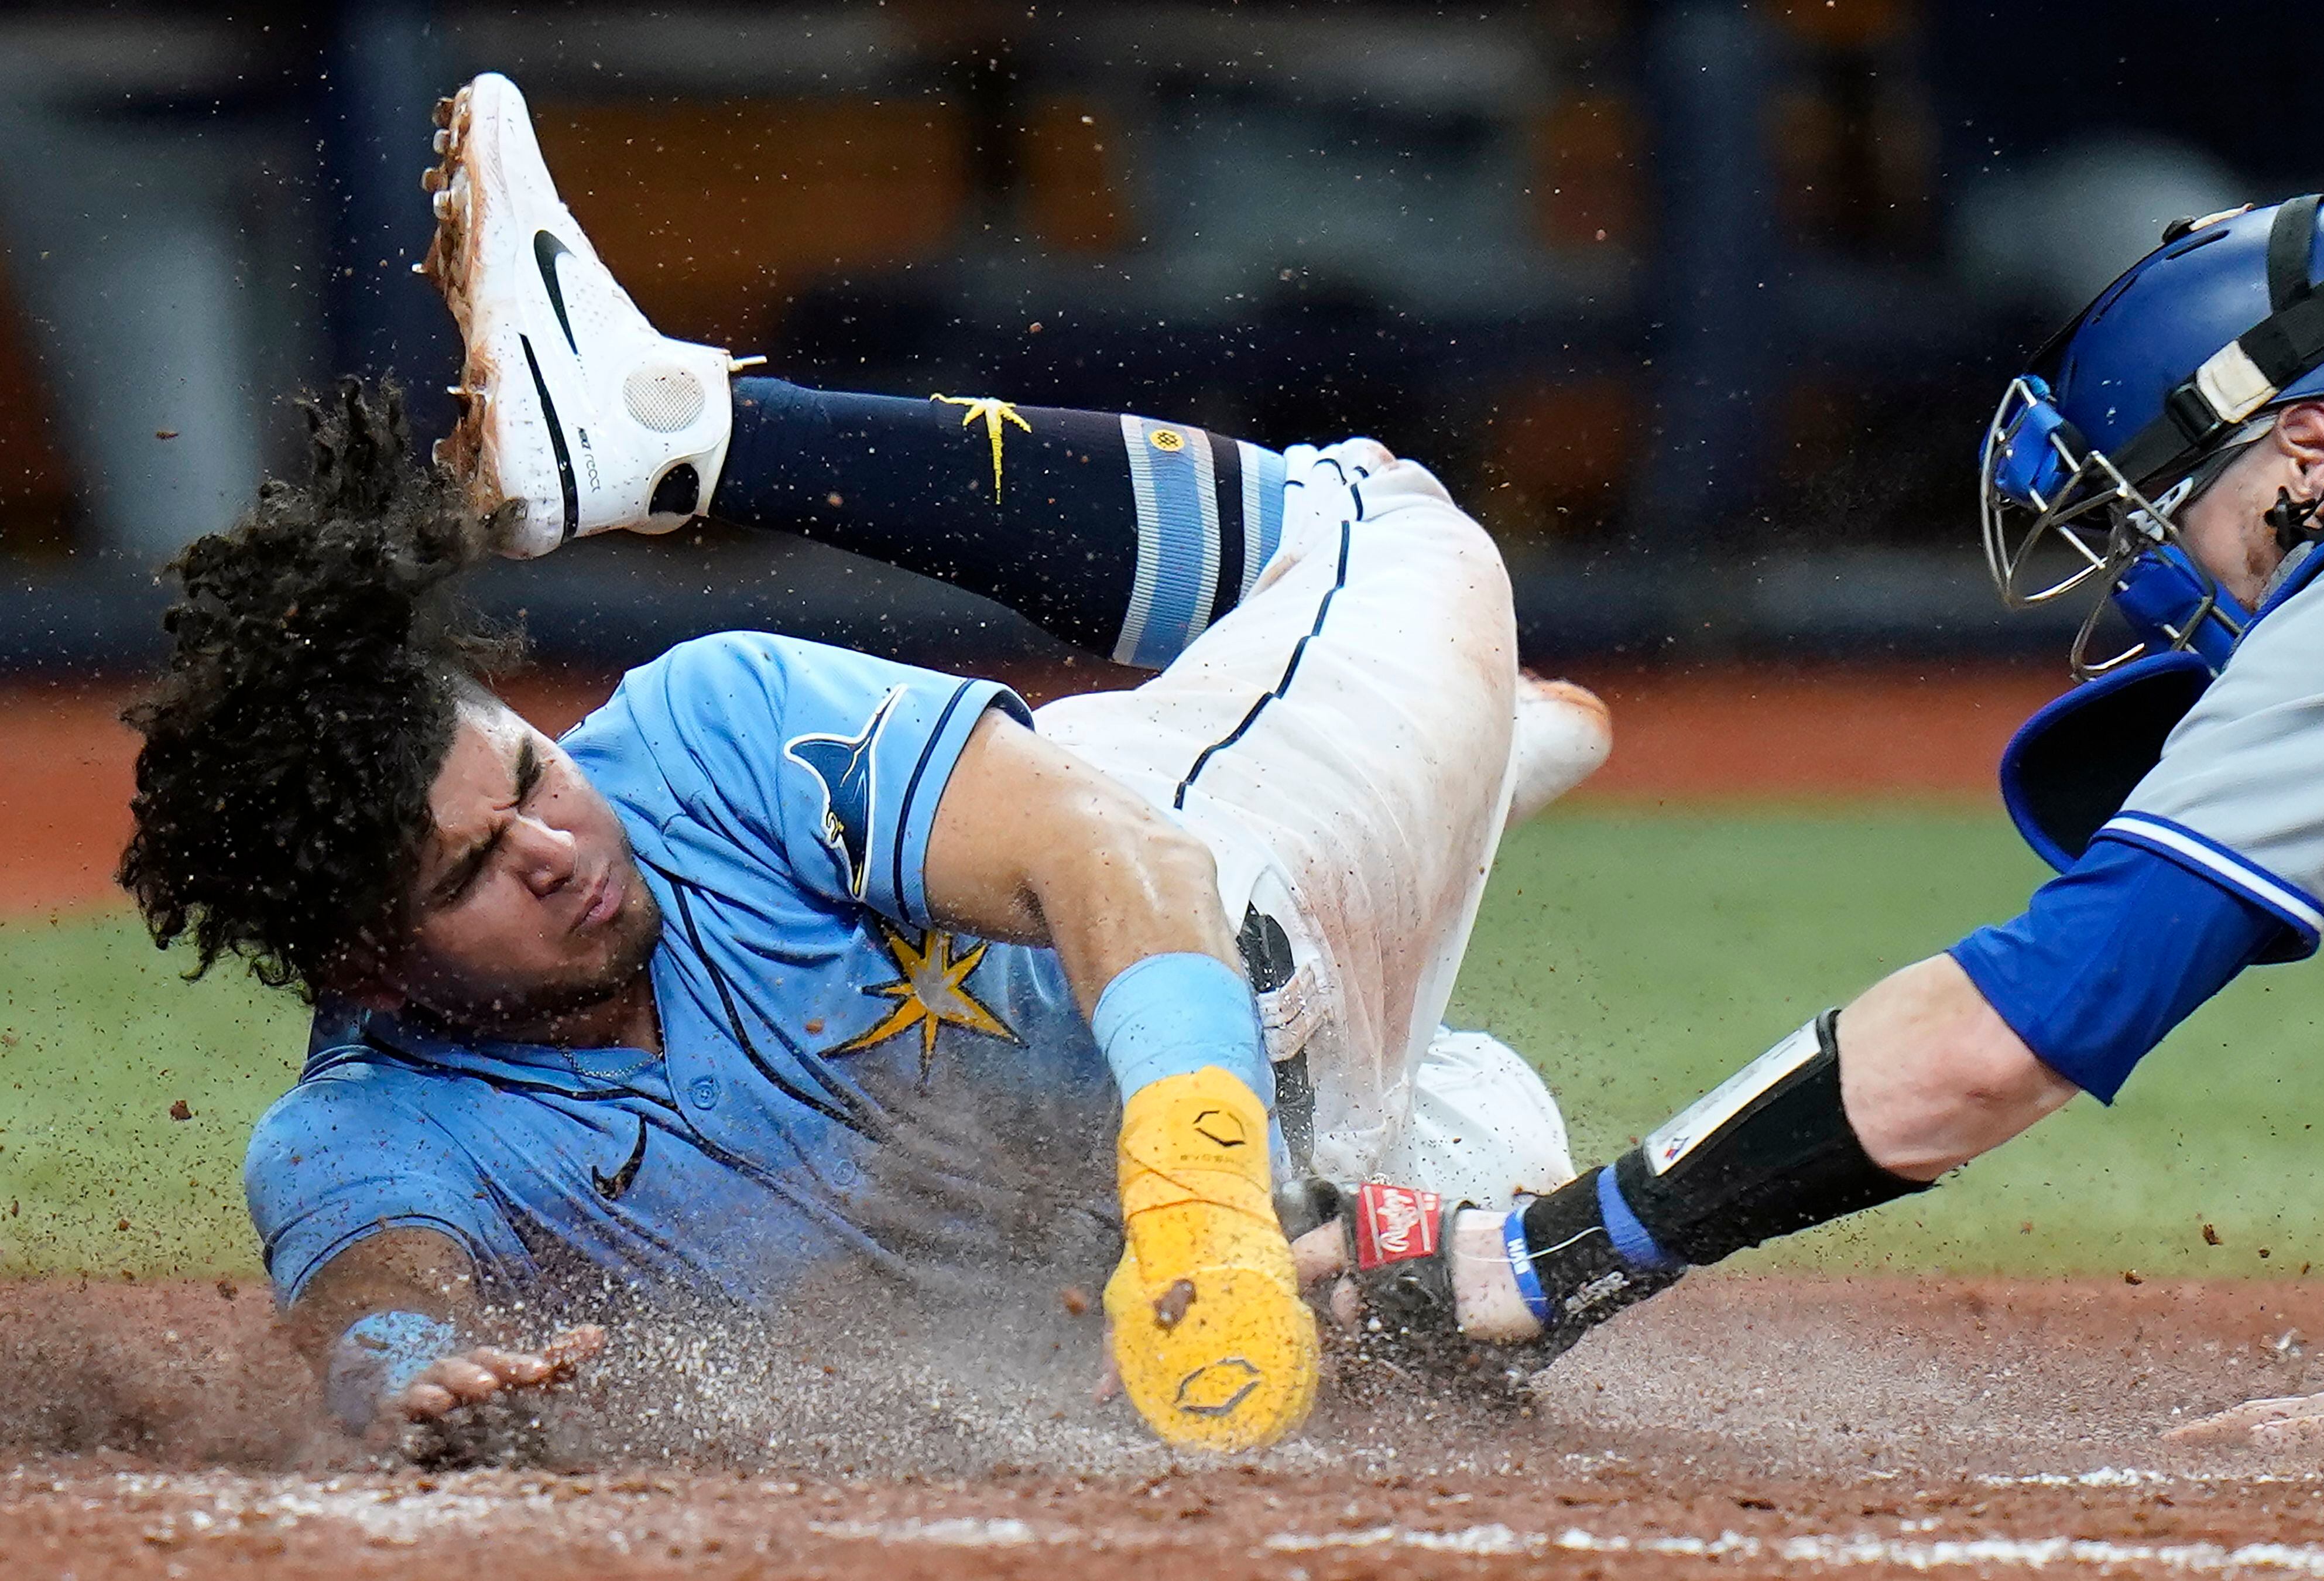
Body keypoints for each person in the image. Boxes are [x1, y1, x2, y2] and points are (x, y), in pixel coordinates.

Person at [122, 73, 1605, 1457]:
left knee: (1378, 527)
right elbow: (376, 1305)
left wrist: (1198, 1195)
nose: (556, 845)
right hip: (1314, 1157)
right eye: (475, 871)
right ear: (370, 969)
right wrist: (407, 1379)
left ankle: (697, 435)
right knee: (1488, 1223)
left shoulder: (700, 737)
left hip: (1231, 920)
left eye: (530, 776)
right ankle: (1449, 783)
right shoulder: (365, 1128)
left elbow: (1125, 867)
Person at [1329, 195, 2324, 1449]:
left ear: (2309, 449)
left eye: (2171, 520)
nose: (2172, 586)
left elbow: (2001, 1044)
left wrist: (1527, 1265)